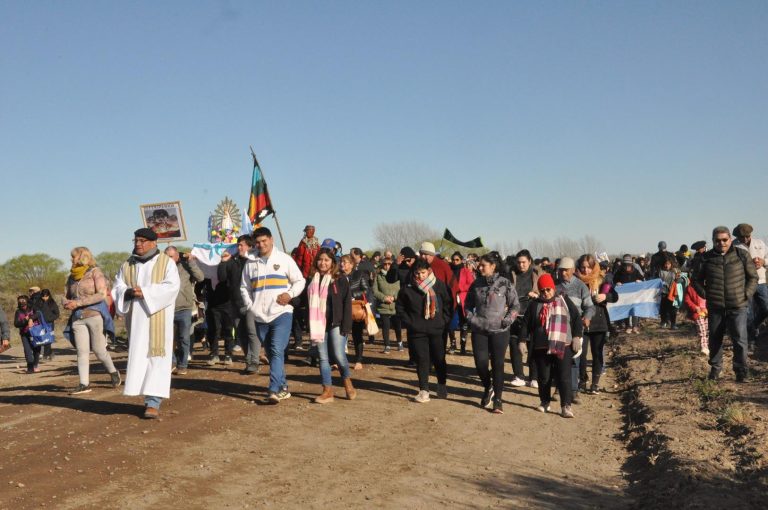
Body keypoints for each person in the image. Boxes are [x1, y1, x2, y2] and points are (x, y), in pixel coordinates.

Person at [112, 228, 180, 418]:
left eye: (142, 241)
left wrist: (147, 292)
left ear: (153, 243)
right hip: (136, 320)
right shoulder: (128, 264)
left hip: (157, 318)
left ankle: (153, 402)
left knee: (157, 359)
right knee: (140, 358)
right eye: (135, 240)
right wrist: (128, 292)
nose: (138, 244)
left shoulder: (166, 263)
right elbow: (118, 286)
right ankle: (141, 394)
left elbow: (172, 287)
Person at [240, 227, 306, 404]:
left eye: (264, 241)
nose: (261, 245)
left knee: (277, 350)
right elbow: (244, 287)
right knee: (271, 352)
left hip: (281, 313)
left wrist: (290, 294)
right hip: (260, 316)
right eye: (258, 242)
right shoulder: (250, 262)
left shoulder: (284, 259)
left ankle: (273, 389)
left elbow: (300, 280)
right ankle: (283, 387)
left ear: (271, 240)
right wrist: (250, 306)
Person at [692, 226, 758, 382]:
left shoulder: (741, 255)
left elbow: (753, 278)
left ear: (730, 239)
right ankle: (715, 370)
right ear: (713, 241)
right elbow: (695, 280)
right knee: (715, 338)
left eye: (724, 240)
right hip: (715, 306)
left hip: (738, 305)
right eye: (717, 240)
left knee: (740, 339)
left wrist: (746, 294)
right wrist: (706, 294)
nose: (721, 243)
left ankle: (741, 371)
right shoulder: (705, 258)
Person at [519, 273, 584, 418]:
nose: (546, 293)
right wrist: (522, 340)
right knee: (544, 377)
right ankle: (544, 402)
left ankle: (566, 406)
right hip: (541, 346)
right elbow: (526, 324)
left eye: (548, 289)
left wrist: (576, 337)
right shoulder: (534, 305)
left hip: (564, 344)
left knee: (564, 376)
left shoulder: (564, 300)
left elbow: (576, 319)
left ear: (553, 288)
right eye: (542, 290)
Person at [464, 253, 519, 414]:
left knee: (498, 364)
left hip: (500, 331)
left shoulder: (505, 284)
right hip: (479, 329)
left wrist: (507, 320)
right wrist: (471, 318)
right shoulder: (476, 284)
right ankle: (488, 387)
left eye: (483, 265)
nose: (479, 267)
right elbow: (467, 305)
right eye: (479, 265)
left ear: (493, 266)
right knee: (480, 363)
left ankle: (498, 400)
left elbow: (515, 305)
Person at [63, 247, 121, 394]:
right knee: (81, 351)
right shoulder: (71, 276)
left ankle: (113, 372)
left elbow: (101, 294)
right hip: (77, 318)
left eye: (74, 257)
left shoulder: (96, 272)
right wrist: (65, 302)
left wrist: (78, 303)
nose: (71, 259)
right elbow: (65, 295)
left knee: (99, 351)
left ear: (83, 257)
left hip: (95, 316)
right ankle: (84, 384)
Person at [396, 259, 451, 403]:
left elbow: (448, 304)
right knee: (422, 359)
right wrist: (410, 323)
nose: (420, 276)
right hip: (417, 331)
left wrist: (443, 320)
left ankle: (441, 384)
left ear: (429, 271)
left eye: (423, 273)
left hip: (437, 329)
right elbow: (400, 307)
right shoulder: (407, 288)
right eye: (417, 273)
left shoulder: (439, 285)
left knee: (439, 359)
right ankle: (424, 390)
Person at [308, 248, 357, 403]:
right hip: (318, 325)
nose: (323, 263)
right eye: (320, 260)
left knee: (338, 355)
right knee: (323, 358)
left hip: (337, 324)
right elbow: (304, 302)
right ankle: (327, 390)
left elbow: (346, 304)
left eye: (326, 260)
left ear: (332, 263)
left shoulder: (340, 280)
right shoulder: (311, 280)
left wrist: (346, 326)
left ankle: (347, 380)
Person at [575, 254, 618, 394]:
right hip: (582, 321)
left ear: (594, 267)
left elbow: (615, 296)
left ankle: (595, 383)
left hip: (599, 321)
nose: (586, 270)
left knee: (597, 353)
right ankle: (582, 380)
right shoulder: (575, 281)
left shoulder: (602, 279)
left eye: (589, 267)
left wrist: (605, 296)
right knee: (581, 354)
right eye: (583, 267)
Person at [555, 257, 594, 403]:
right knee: (557, 359)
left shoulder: (580, 286)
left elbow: (590, 306)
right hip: (557, 329)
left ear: (572, 270)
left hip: (575, 330)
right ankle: (558, 388)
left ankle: (573, 391)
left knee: (573, 360)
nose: (562, 273)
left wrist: (587, 317)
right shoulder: (555, 286)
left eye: (565, 270)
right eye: (560, 270)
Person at [163, 246, 204, 375]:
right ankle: (172, 362)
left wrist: (191, 262)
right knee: (167, 339)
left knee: (183, 338)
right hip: (167, 308)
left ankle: (182, 364)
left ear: (177, 256)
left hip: (184, 308)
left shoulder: (186, 267)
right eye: (166, 256)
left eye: (171, 256)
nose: (168, 259)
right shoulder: (161, 270)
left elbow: (200, 277)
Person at [219, 235, 257, 372]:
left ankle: (254, 361)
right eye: (238, 245)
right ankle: (249, 360)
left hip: (252, 303)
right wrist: (223, 262)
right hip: (235, 303)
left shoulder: (254, 261)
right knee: (241, 334)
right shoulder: (233, 261)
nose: (239, 247)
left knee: (252, 333)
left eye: (242, 245)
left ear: (250, 246)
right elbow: (222, 278)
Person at [732, 223, 768, 353]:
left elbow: (767, 257)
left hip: (761, 281)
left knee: (766, 307)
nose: (745, 239)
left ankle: (755, 327)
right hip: (743, 283)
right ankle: (751, 340)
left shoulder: (760, 243)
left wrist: (763, 262)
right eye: (742, 237)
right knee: (748, 313)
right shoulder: (733, 246)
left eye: (747, 236)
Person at [511, 249, 543, 387]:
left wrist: (537, 295)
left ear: (530, 261)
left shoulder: (538, 275)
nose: (521, 265)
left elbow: (548, 292)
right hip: (515, 314)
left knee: (533, 347)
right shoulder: (511, 274)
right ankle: (519, 376)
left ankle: (534, 377)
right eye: (519, 262)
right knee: (514, 344)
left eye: (524, 262)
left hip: (532, 314)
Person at [419, 242, 456, 352]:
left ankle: (438, 364)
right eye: (421, 254)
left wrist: (447, 314)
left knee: (439, 345)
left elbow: (453, 288)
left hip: (439, 312)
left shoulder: (442, 266)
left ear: (432, 255)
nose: (422, 257)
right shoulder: (420, 266)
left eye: (425, 254)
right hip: (423, 310)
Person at [340, 254, 368, 369]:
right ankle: (339, 360)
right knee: (340, 335)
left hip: (355, 309)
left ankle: (359, 360)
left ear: (351, 264)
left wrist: (352, 295)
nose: (342, 264)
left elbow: (366, 290)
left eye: (345, 262)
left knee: (357, 335)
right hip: (340, 309)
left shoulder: (359, 274)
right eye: (341, 262)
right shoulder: (337, 276)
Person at [373, 256, 401, 353]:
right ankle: (387, 345)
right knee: (385, 325)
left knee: (397, 325)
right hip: (383, 305)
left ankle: (399, 342)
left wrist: (394, 297)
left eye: (389, 264)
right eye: (385, 264)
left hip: (396, 305)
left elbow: (401, 289)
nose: (387, 266)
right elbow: (375, 291)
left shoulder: (398, 274)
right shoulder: (378, 276)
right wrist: (384, 298)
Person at [613, 255, 645, 333]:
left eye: (629, 265)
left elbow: (642, 279)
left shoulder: (635, 271)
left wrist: (640, 281)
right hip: (624, 295)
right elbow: (614, 280)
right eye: (625, 265)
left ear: (631, 264)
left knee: (635, 309)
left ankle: (635, 326)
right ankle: (628, 326)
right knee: (626, 310)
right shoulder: (619, 271)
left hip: (634, 294)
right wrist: (617, 283)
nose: (627, 267)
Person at [456, 254, 479, 355]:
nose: (469, 265)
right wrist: (472, 286)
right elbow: (460, 286)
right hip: (466, 299)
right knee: (464, 325)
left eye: (471, 264)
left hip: (477, 301)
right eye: (468, 263)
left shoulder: (477, 273)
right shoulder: (463, 271)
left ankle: (477, 348)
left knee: (476, 325)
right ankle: (462, 347)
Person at [14, 295, 42, 373]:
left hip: (35, 332)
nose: (21, 302)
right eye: (20, 301)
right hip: (24, 333)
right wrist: (25, 321)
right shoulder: (18, 311)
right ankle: (30, 367)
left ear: (27, 301)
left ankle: (35, 365)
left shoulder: (33, 308)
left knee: (37, 349)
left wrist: (30, 319)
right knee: (27, 350)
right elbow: (16, 324)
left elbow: (39, 314)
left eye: (23, 300)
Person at [34, 289, 60, 361]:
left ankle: (47, 354)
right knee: (40, 339)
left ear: (49, 295)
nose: (45, 298)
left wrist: (50, 318)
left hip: (49, 324)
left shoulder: (52, 302)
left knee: (48, 339)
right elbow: (35, 311)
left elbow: (57, 313)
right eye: (43, 296)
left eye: (46, 296)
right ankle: (41, 354)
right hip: (39, 324)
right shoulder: (38, 302)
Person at [684, 282, 709, 355]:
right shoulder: (690, 288)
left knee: (707, 330)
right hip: (697, 313)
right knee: (702, 330)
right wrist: (695, 307)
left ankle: (707, 346)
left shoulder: (708, 286)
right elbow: (687, 300)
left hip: (707, 312)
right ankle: (704, 347)